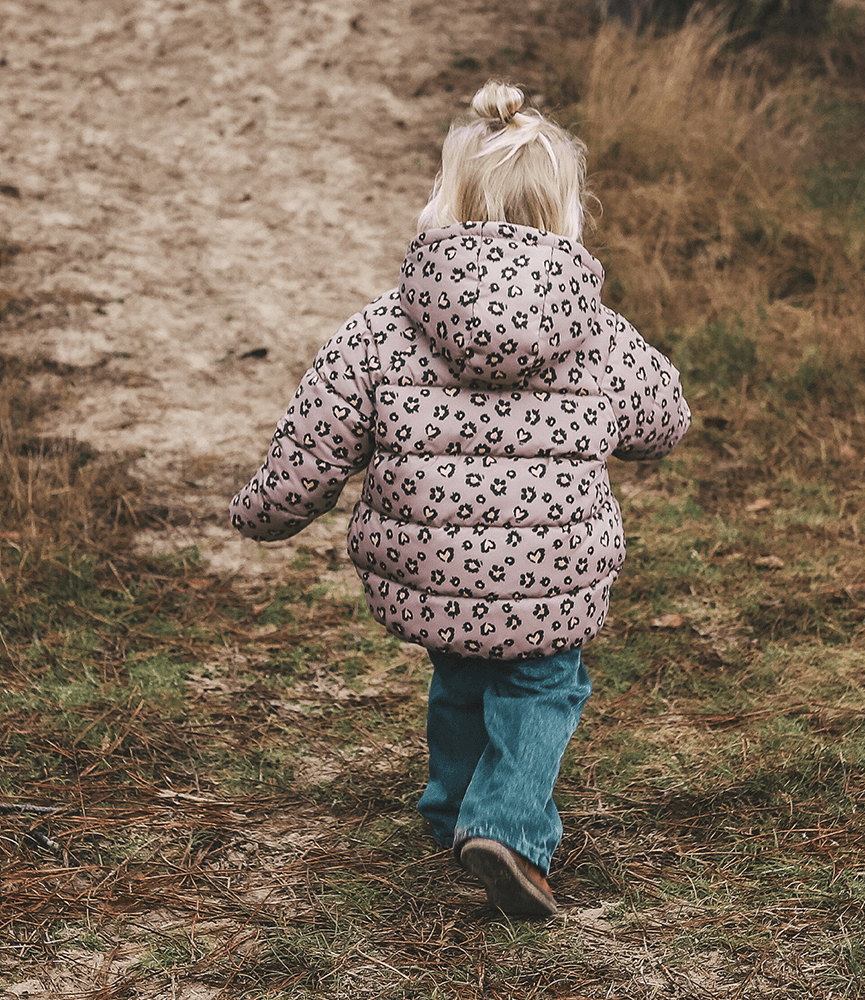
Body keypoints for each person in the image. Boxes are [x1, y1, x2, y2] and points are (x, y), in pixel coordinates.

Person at [229, 80, 690, 917]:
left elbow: (315, 442)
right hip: (554, 574)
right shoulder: (598, 330)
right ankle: (507, 828)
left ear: (444, 201)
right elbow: (663, 423)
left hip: (434, 571)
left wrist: (265, 510)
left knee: (463, 672)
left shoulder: (382, 327)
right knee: (544, 683)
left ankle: (451, 809)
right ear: (566, 215)